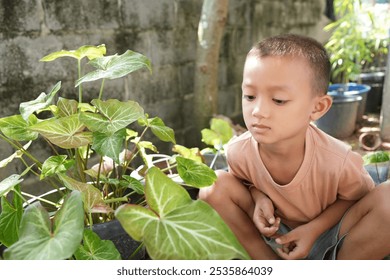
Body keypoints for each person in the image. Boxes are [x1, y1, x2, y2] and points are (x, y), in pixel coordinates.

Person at [199, 34, 390, 260]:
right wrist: (258, 198)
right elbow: (244, 182)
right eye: (250, 96)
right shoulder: (239, 151)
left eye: (278, 100)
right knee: (214, 186)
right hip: (276, 237)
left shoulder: (337, 159)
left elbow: (357, 201)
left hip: (333, 237)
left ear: (318, 107)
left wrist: (314, 229)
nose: (258, 110)